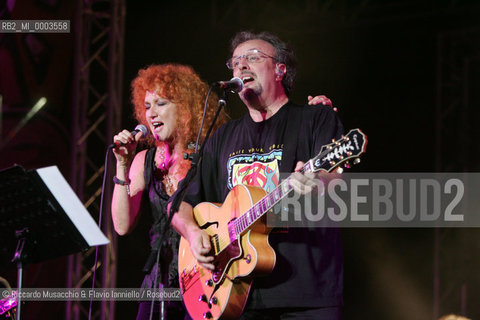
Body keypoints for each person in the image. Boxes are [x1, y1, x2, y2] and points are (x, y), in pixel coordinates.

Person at [172, 31, 344, 319]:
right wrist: (193, 233)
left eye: (252, 58)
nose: (241, 66)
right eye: (236, 62)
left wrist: (316, 183)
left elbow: (336, 182)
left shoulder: (316, 119)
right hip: (237, 292)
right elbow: (179, 204)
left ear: (280, 69)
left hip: (306, 292)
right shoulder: (221, 137)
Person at [111, 63, 228, 320]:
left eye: (161, 104)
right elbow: (121, 225)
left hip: (206, 275)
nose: (151, 114)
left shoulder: (208, 153)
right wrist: (122, 166)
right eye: (147, 106)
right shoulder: (145, 160)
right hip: (159, 282)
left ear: (184, 109)